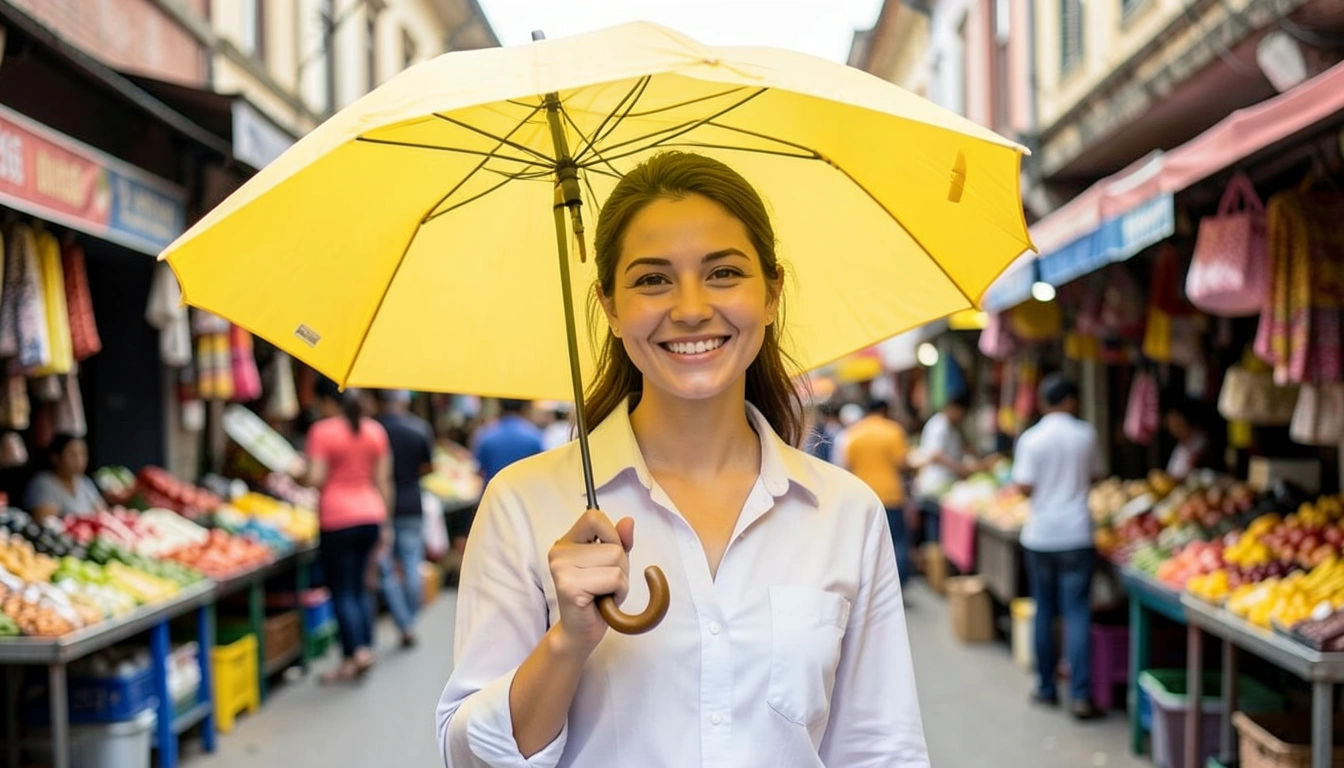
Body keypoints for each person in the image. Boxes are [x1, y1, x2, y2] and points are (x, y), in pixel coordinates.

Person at [437, 151, 928, 767]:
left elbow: (881, 750)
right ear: (610, 307)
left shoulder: (845, 512)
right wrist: (566, 642)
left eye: (723, 273)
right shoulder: (523, 504)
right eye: (651, 279)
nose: (691, 307)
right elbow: (467, 757)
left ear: (772, 292)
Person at [1011, 374, 1104, 720]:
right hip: (1077, 534)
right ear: (1069, 400)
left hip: (1041, 535)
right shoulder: (1085, 434)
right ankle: (1080, 696)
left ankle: (1046, 688)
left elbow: (1023, 486)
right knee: (1077, 613)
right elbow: (1095, 476)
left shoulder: (1031, 439)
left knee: (1045, 611)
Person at [294, 378, 393, 684]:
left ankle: (354, 654)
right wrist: (386, 523)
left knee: (342, 589)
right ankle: (365, 648)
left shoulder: (322, 432)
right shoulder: (375, 430)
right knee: (362, 585)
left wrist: (297, 474)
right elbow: (383, 480)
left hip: (337, 519)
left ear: (326, 401)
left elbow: (316, 478)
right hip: (371, 514)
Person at [374, 389, 435, 648]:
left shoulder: (374, 429)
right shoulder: (419, 428)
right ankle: (410, 619)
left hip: (380, 504)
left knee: (386, 568)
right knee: (411, 562)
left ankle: (404, 622)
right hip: (412, 502)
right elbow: (428, 467)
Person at [840, 399, 914, 585]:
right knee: (897, 542)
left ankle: (872, 586)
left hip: (863, 497)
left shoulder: (853, 434)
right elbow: (902, 463)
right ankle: (897, 586)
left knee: (867, 545)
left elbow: (847, 465)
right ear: (884, 410)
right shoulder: (893, 431)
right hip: (891, 495)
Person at [912, 391, 973, 545]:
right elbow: (936, 454)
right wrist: (959, 469)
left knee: (939, 532)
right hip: (935, 485)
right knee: (936, 535)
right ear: (954, 409)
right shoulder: (939, 426)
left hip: (942, 485)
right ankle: (935, 564)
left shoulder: (948, 426)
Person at [25, 434, 106, 522]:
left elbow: (103, 513)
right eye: (72, 455)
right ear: (55, 458)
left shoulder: (84, 482)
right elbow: (46, 521)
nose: (79, 460)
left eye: (83, 454)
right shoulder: (42, 483)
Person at [472, 398, 544, 485]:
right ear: (523, 407)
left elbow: (478, 470)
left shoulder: (486, 434)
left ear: (499, 406)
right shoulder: (535, 436)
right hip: (524, 493)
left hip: (493, 493)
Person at [1164, 401, 1210, 480]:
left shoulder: (1201, 442)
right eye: (1170, 422)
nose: (1173, 426)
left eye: (1176, 420)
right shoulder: (1180, 446)